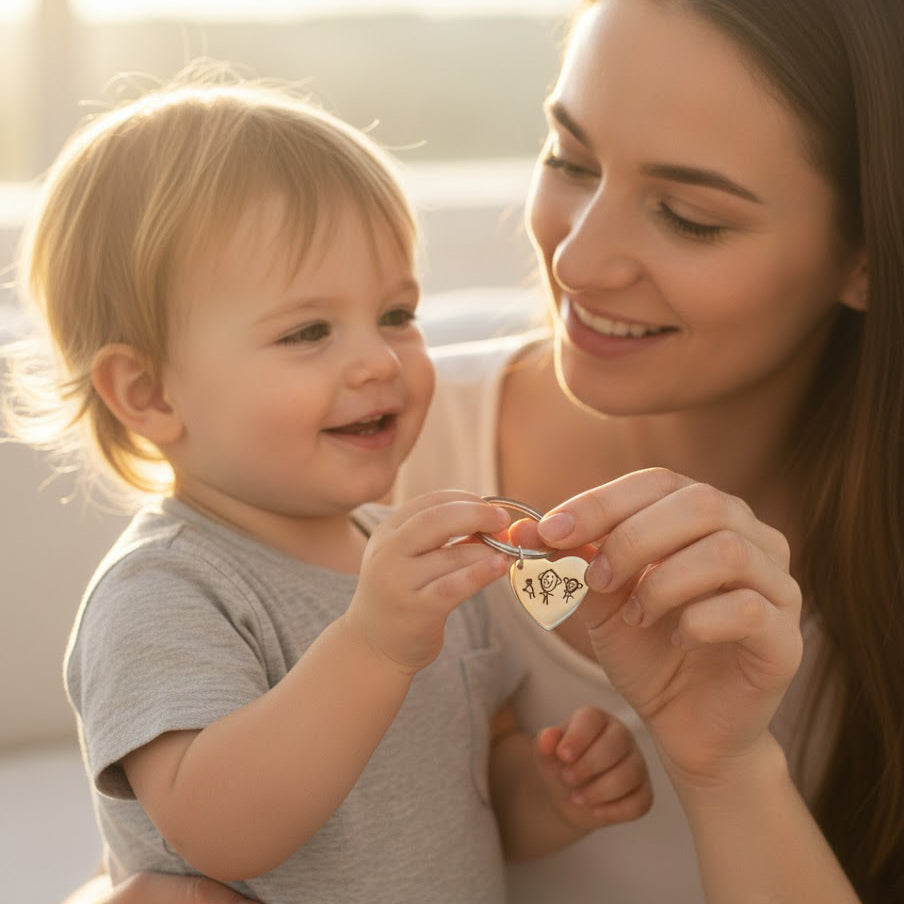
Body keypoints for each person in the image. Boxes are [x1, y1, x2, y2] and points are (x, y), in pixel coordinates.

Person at [59, 0, 904, 899]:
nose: (575, 263)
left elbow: (450, 785)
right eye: (568, 160)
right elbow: (183, 840)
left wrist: (690, 774)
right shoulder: (344, 489)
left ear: (865, 252)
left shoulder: (390, 513)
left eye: (689, 215)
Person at [4, 73, 654, 903]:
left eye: (396, 314)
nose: (379, 360)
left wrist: (551, 793)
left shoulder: (424, 568)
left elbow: (463, 799)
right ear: (150, 394)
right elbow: (218, 830)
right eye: (309, 330)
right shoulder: (167, 591)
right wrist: (373, 647)